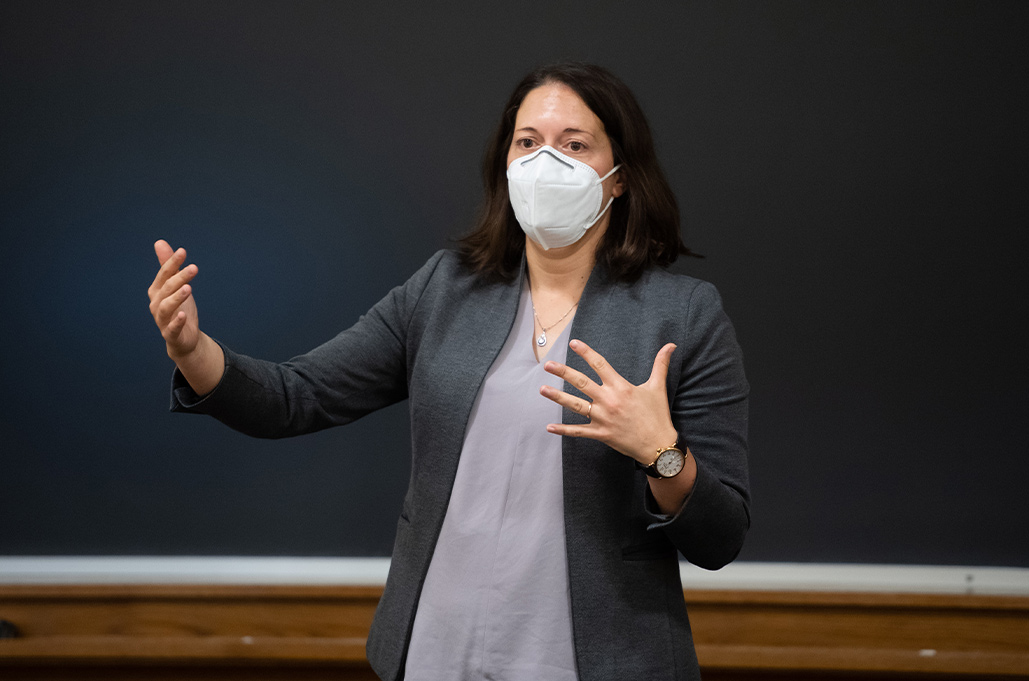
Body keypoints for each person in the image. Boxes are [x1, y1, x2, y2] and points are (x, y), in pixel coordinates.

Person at [148, 62, 750, 681]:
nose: (547, 163)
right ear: (505, 163)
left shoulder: (682, 315)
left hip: (597, 663)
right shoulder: (445, 289)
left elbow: (720, 538)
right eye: (528, 143)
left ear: (620, 177)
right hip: (435, 652)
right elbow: (295, 398)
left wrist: (661, 453)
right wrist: (193, 350)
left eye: (575, 144)